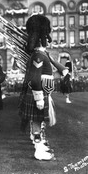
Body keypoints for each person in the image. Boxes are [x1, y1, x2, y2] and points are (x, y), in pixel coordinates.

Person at [18, 14, 56, 161]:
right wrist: (39, 98)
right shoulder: (38, 55)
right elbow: (35, 78)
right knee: (36, 121)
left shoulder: (39, 53)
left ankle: (40, 146)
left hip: (40, 91)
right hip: (38, 93)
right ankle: (38, 150)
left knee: (38, 121)